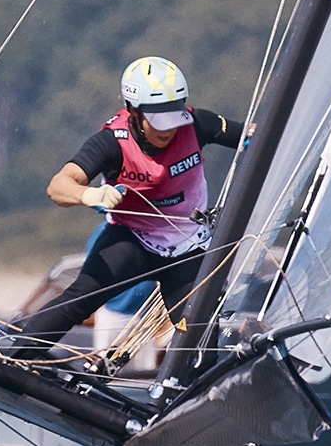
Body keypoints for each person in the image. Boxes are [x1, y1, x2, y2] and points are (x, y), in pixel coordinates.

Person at [14, 56, 246, 357]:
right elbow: (58, 186)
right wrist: (91, 196)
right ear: (133, 112)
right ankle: (14, 360)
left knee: (199, 337)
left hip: (187, 246)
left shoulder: (199, 123)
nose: (169, 130)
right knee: (80, 298)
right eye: (158, 121)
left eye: (174, 117)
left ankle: (191, 392)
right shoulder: (111, 142)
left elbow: (257, 134)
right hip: (132, 240)